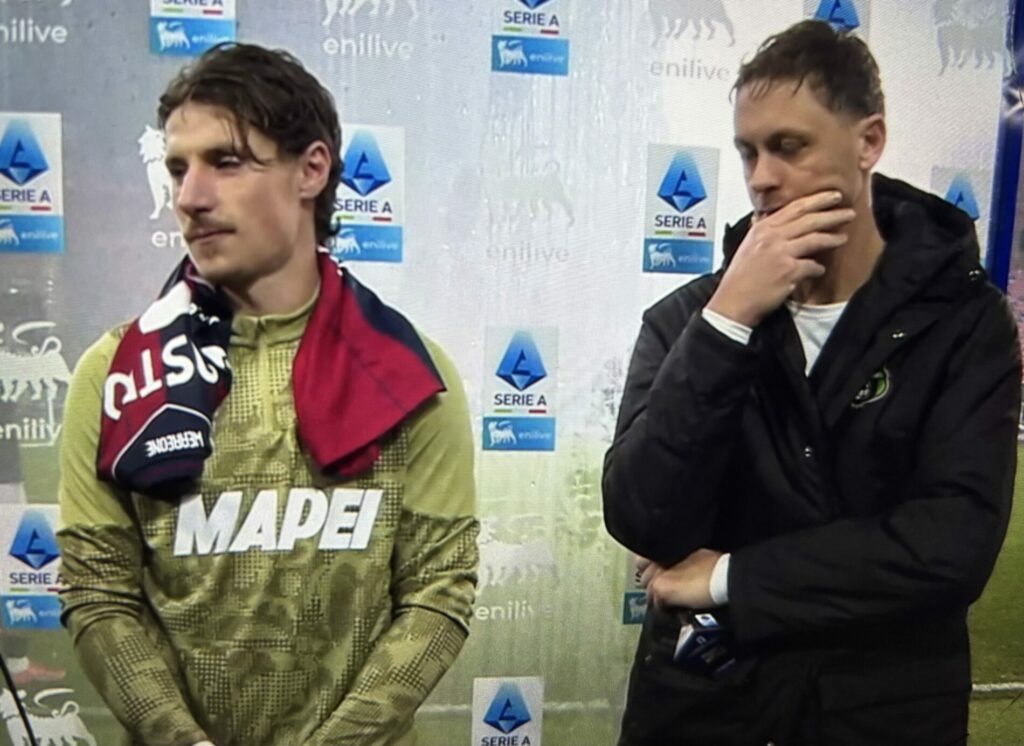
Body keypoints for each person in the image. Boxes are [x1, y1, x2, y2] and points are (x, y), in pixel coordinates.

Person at [603, 19, 1020, 746]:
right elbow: (643, 519)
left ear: (869, 141)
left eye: (789, 147)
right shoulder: (687, 322)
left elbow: (949, 548)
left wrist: (732, 577)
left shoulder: (965, 324)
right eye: (749, 152)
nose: (762, 177)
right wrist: (727, 321)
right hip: (707, 713)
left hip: (880, 716)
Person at [57, 43, 478, 746]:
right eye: (178, 168)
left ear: (311, 169)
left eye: (226, 162)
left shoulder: (411, 376)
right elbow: (98, 594)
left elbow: (439, 593)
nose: (190, 197)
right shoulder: (114, 374)